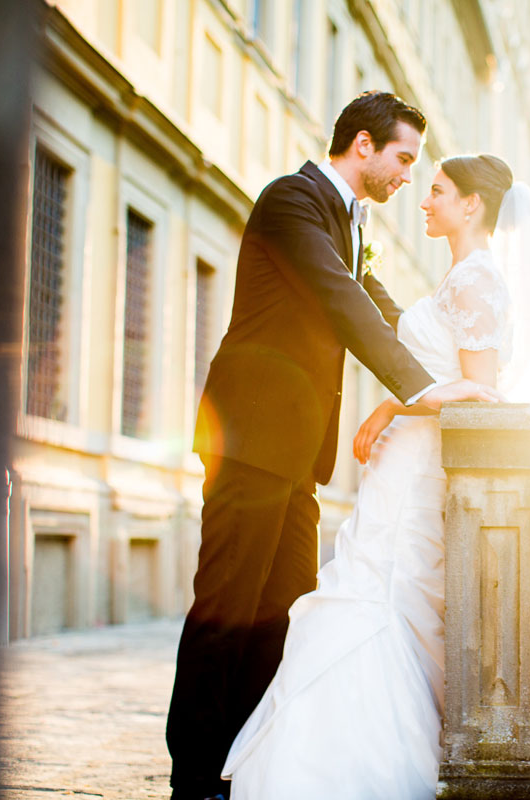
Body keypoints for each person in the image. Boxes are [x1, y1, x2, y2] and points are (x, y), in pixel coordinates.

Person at [166, 93, 501, 800]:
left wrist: (445, 362)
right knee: (225, 607)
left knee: (280, 612)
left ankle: (243, 764)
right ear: (363, 145)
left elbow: (385, 310)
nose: (410, 174)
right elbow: (338, 299)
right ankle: (193, 779)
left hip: (296, 457)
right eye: (404, 158)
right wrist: (419, 389)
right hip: (251, 438)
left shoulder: (353, 222)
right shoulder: (291, 201)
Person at [220, 155, 530, 799]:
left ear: (472, 206)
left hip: (414, 470)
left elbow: (477, 395)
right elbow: (420, 355)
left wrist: (392, 403)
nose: (423, 201)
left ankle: (351, 768)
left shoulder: (478, 281)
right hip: (399, 464)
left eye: (435, 191)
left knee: (379, 596)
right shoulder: (459, 277)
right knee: (370, 591)